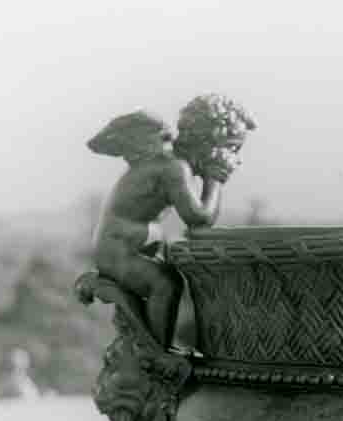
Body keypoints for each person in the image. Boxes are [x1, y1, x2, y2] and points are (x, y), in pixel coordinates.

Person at [89, 95, 256, 347]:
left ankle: (158, 346)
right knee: (166, 285)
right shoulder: (172, 167)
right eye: (230, 149)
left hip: (129, 246)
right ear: (208, 142)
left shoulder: (167, 160)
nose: (234, 159)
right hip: (117, 251)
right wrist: (215, 178)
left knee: (173, 279)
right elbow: (199, 219)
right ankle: (156, 352)